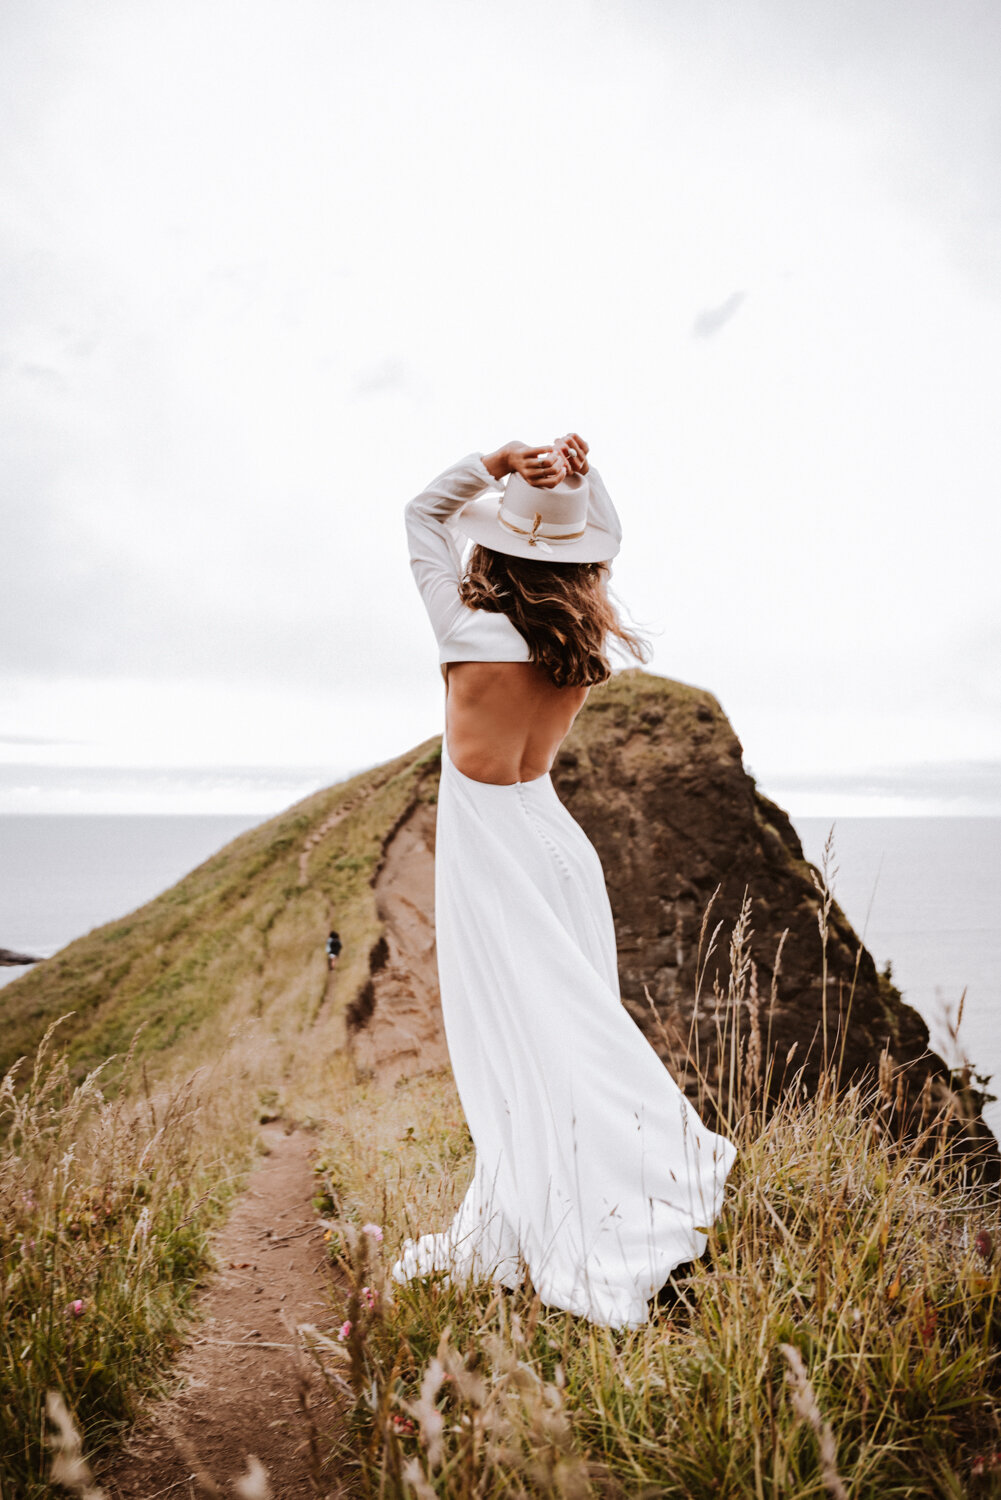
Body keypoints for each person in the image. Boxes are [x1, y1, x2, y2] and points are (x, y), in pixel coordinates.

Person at [390, 433, 737, 1329]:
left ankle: (612, 1200)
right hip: (555, 842)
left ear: (496, 552)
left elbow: (422, 511)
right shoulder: (581, 640)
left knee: (523, 1041)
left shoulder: (466, 631)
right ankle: (614, 1183)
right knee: (574, 1026)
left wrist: (500, 461)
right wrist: (581, 480)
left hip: (492, 855)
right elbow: (603, 534)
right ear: (581, 559)